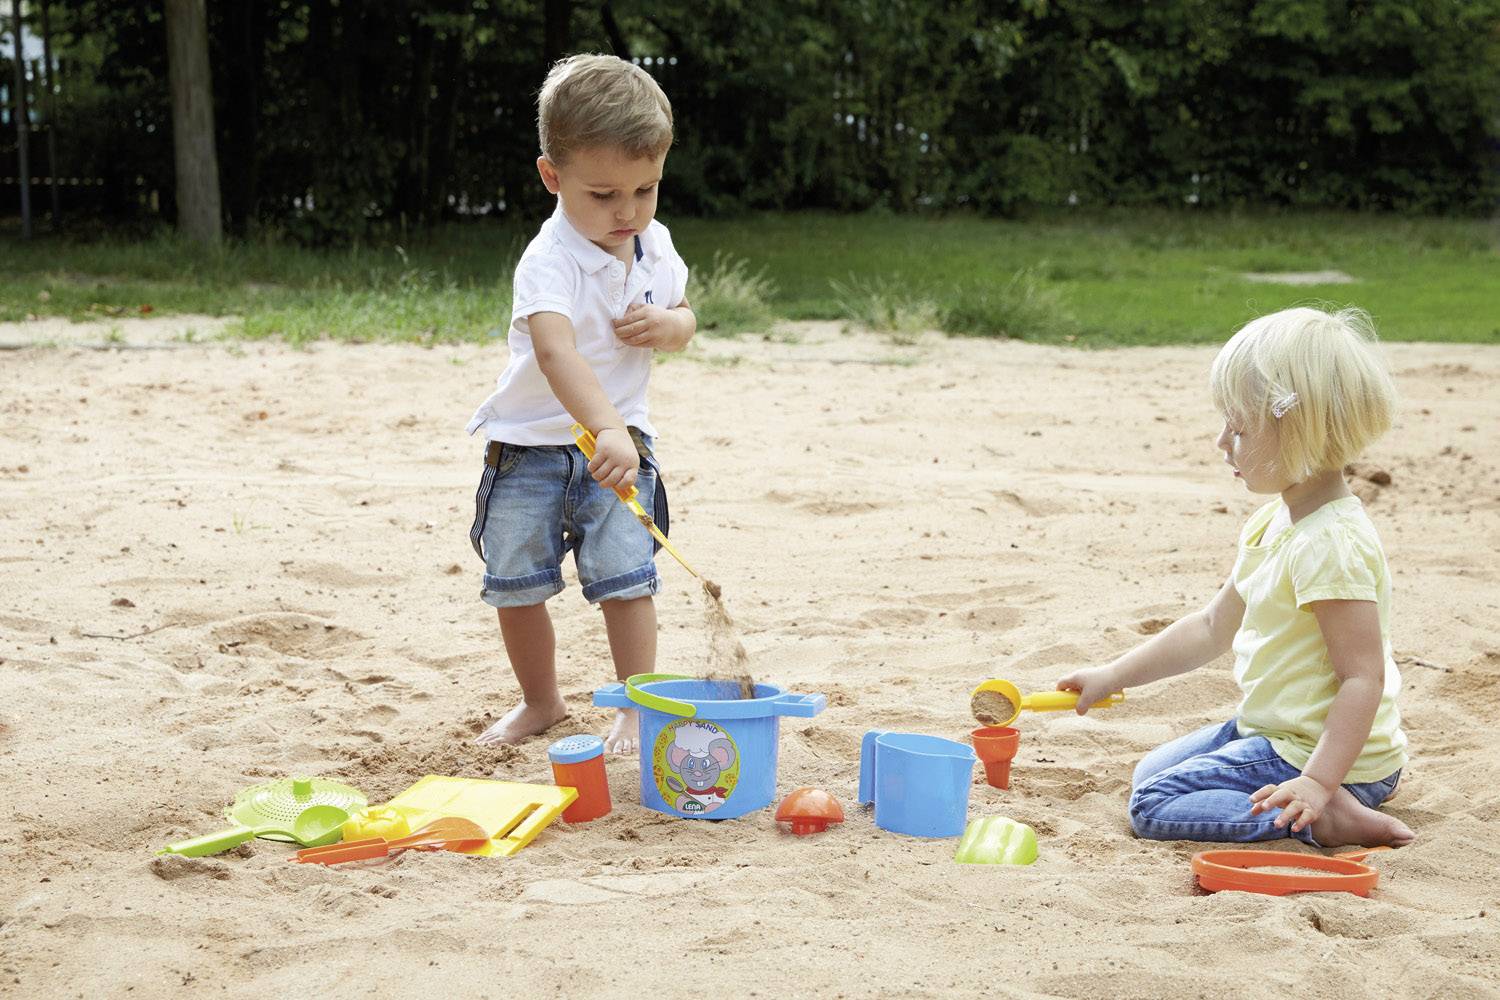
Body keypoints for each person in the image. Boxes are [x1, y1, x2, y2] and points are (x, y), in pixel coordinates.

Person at [1057, 307, 1414, 849]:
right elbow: (1210, 627)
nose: (1222, 442)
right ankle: (1317, 799)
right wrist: (1114, 674)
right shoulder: (1276, 519)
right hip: (1275, 732)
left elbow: (1363, 678)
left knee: (1152, 805)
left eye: (1240, 428)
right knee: (1150, 773)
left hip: (1327, 758)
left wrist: (1318, 784)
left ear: (1297, 431)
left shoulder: (1331, 544)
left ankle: (1327, 817)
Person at [465, 54, 695, 752]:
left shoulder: (652, 246)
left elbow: (685, 314)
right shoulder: (549, 261)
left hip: (622, 448)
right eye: (603, 195)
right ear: (553, 177)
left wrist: (671, 327)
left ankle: (633, 705)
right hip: (530, 448)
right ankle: (540, 702)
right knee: (518, 582)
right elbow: (556, 351)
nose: (627, 212)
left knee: (628, 577)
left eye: (645, 189)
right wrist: (605, 425)